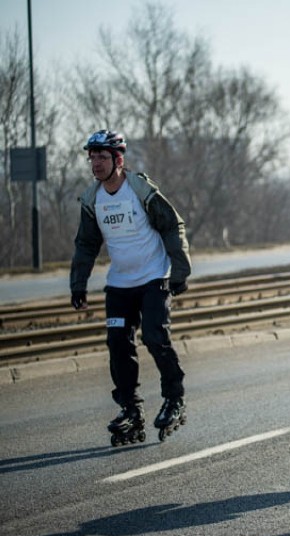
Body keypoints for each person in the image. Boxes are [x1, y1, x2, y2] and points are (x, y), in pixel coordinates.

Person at [70, 129, 192, 446]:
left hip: (154, 276)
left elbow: (172, 225)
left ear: (118, 160)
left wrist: (179, 271)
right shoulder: (92, 199)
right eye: (92, 157)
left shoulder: (140, 190)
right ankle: (130, 410)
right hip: (120, 283)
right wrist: (78, 283)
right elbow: (85, 244)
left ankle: (174, 398)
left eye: (102, 157)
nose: (95, 163)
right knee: (118, 345)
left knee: (154, 336)